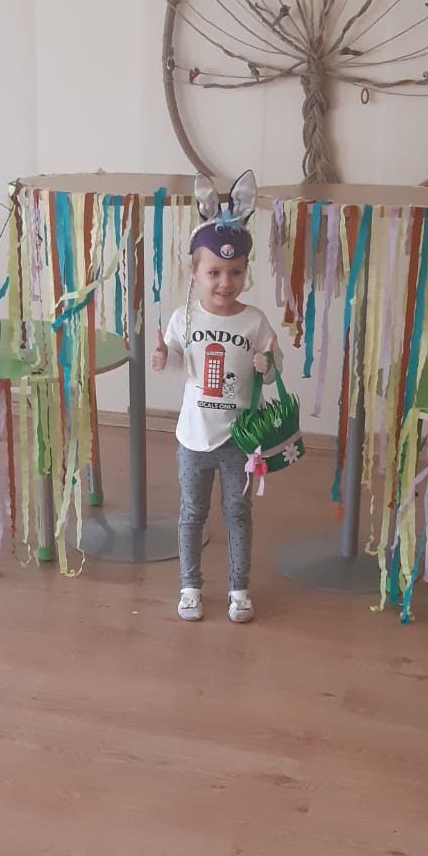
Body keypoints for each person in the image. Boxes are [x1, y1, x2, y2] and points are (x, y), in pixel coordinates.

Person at [151, 170, 281, 624]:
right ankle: (190, 586)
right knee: (192, 513)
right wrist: (162, 356)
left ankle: (239, 589)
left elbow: (273, 371)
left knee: (238, 512)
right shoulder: (183, 317)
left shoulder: (255, 321)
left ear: (245, 271)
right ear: (195, 272)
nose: (225, 281)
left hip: (240, 440)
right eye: (214, 272)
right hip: (193, 437)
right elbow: (174, 362)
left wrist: (267, 364)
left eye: (235, 272)